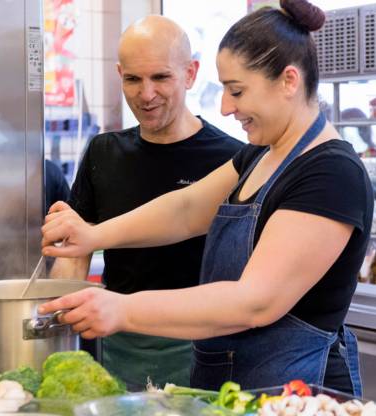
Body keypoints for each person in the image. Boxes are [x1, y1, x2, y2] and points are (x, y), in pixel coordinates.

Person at [40, 0, 372, 395]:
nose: (225, 106)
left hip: (297, 395)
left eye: (236, 90)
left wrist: (122, 308)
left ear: (288, 81)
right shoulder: (261, 154)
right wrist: (95, 236)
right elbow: (185, 209)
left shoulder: (330, 173)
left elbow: (255, 302)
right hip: (234, 389)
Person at [48, 16, 243, 390]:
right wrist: (58, 322)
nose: (146, 94)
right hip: (118, 343)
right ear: (119, 74)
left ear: (190, 74)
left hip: (202, 346)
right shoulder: (104, 152)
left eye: (161, 77)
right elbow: (75, 254)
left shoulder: (232, 160)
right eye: (133, 79)